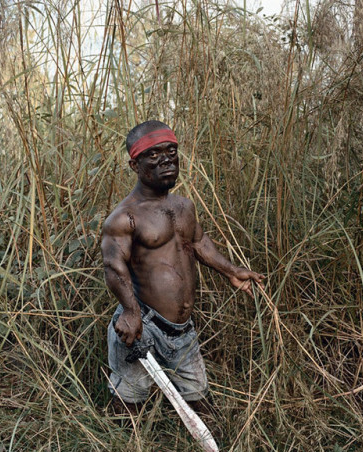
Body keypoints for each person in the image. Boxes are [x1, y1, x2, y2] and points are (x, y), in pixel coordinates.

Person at [101, 120, 264, 415]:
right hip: (142, 326)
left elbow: (199, 242)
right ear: (134, 165)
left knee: (201, 402)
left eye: (171, 151)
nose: (165, 159)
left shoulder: (184, 206)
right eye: (153, 154)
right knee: (127, 406)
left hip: (182, 331)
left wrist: (231, 271)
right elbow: (113, 266)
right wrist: (129, 311)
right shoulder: (124, 217)